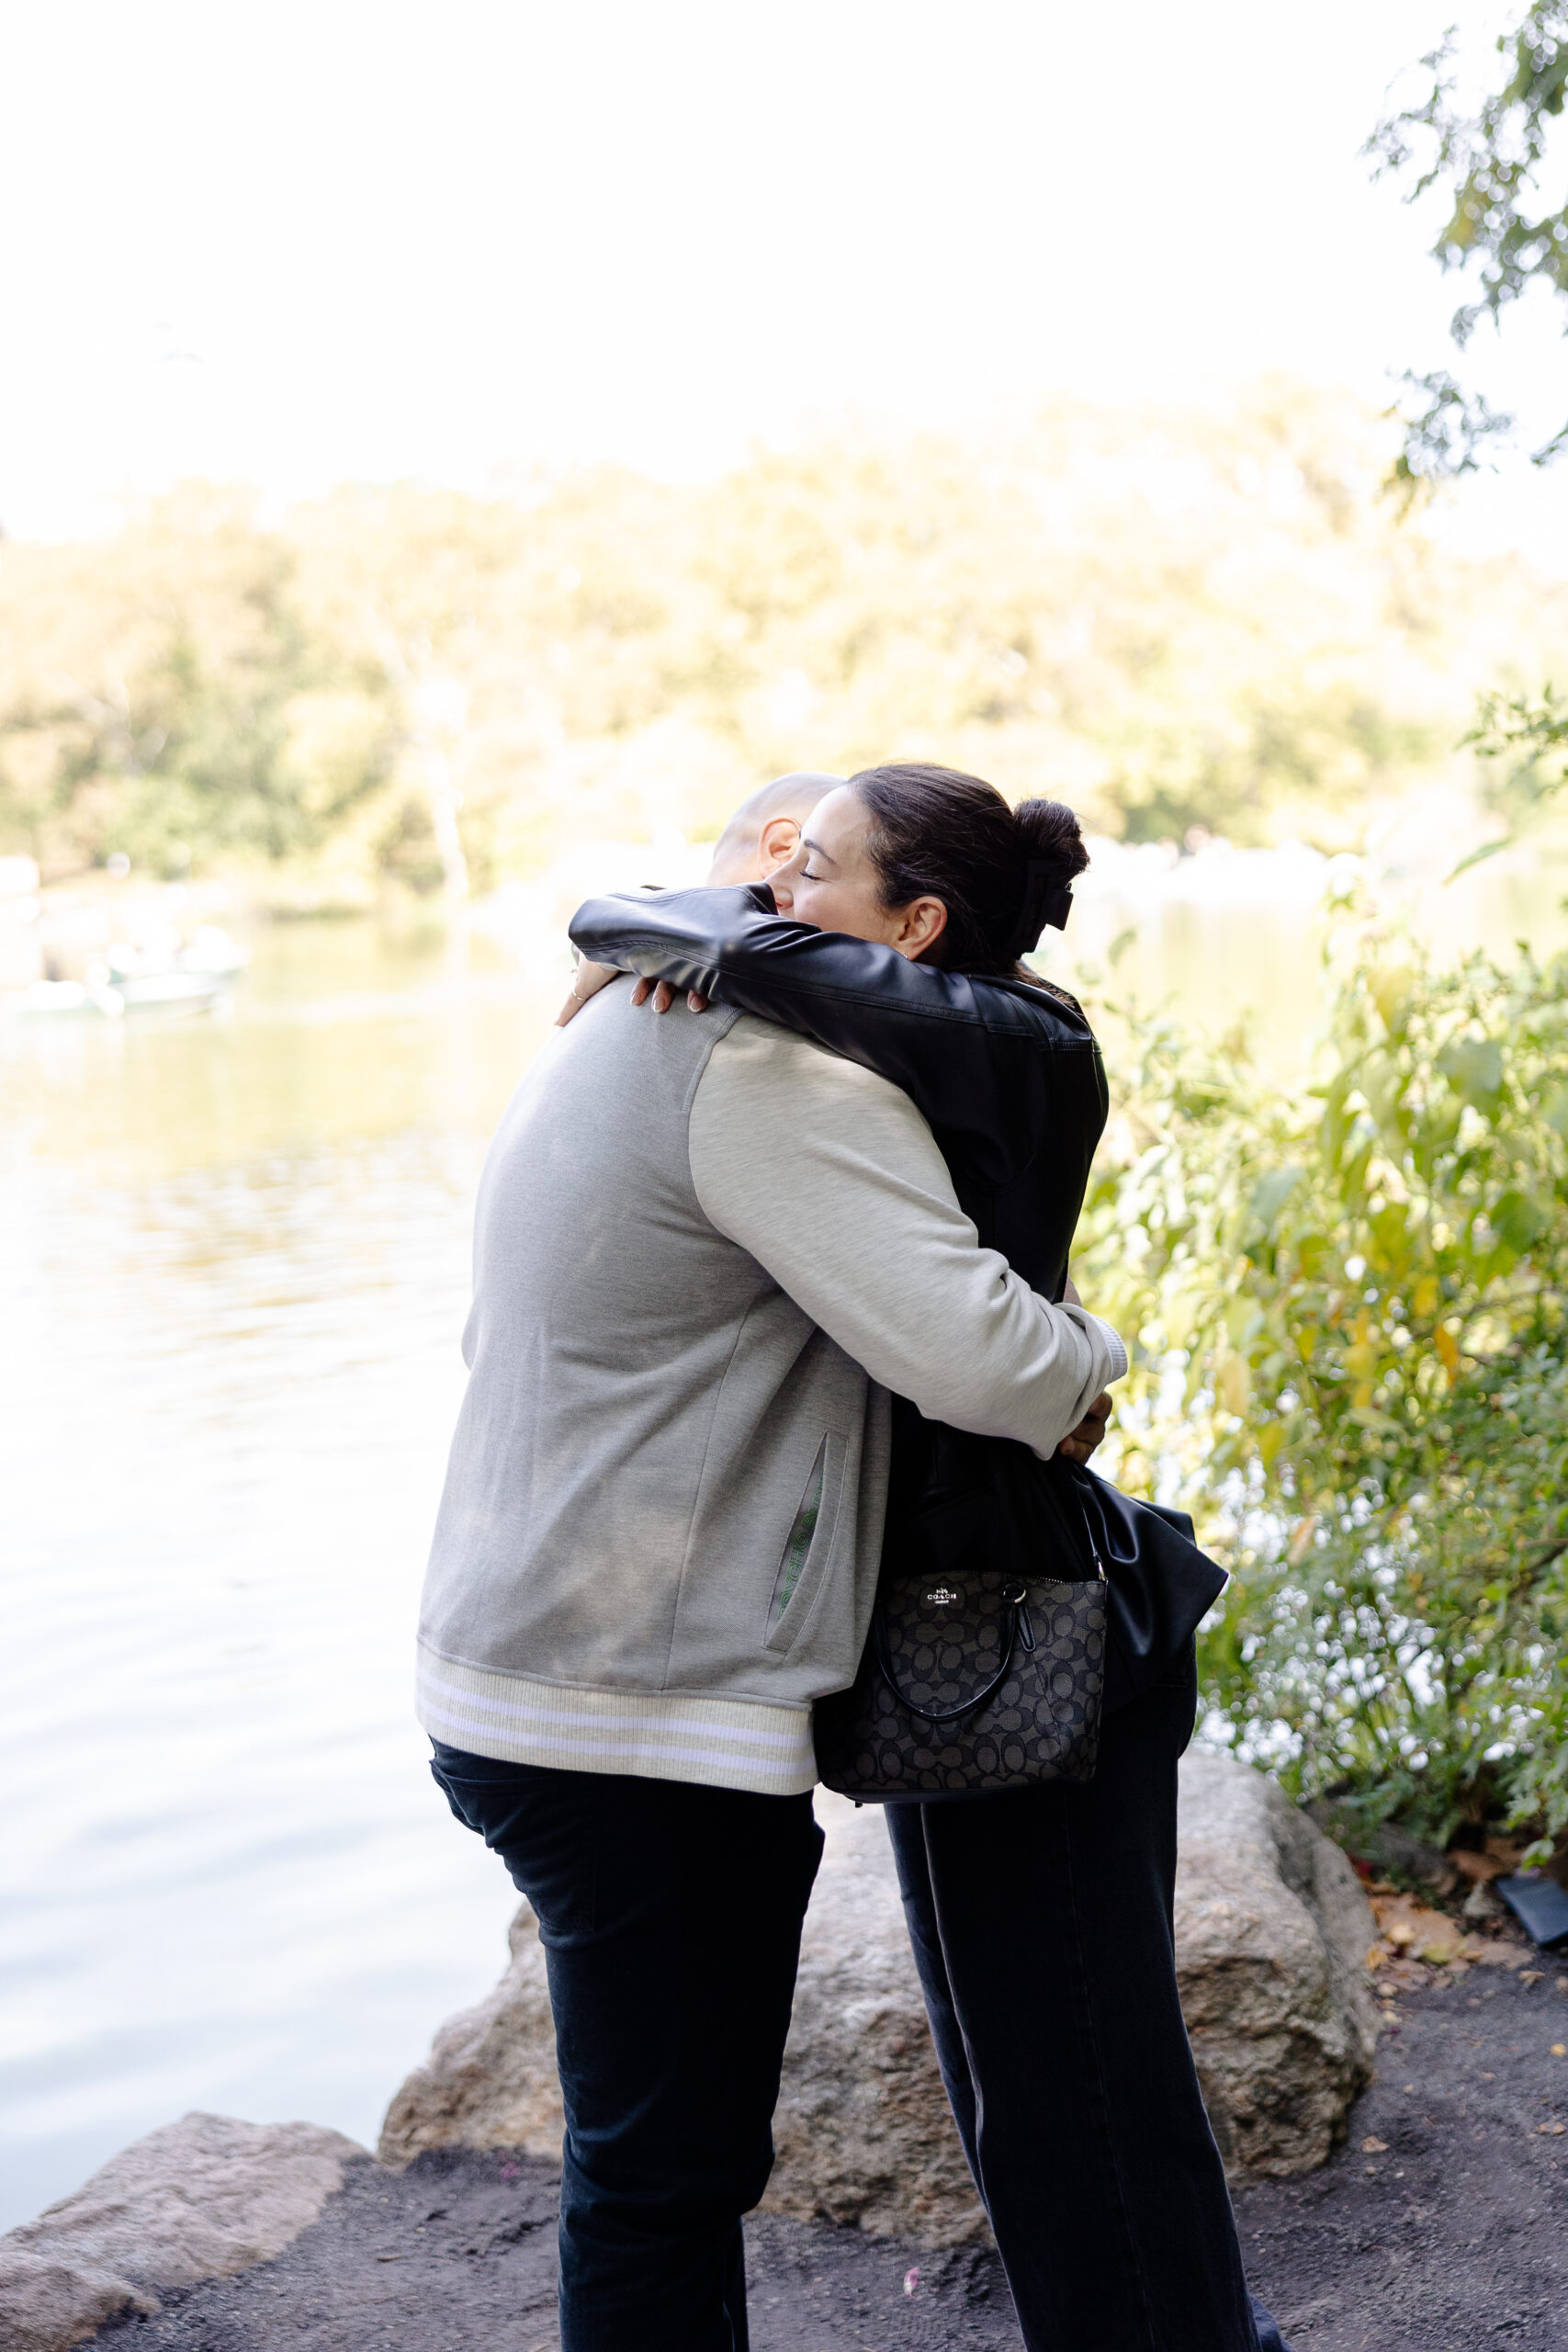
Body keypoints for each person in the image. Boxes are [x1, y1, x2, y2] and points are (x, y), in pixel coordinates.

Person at [569, 763, 1292, 2352]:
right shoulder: (914, 1025)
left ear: (916, 924)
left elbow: (756, 954)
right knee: (1019, 2071)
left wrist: (657, 932)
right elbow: (767, 943)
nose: (774, 888)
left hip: (1023, 1607)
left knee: (1081, 2080)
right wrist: (669, 933)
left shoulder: (1010, 1038)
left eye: (813, 867)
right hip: (961, 1604)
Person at [416, 828, 1128, 2352]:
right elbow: (988, 1360)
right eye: (782, 868)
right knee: (665, 2177)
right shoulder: (758, 1067)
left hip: (529, 1666)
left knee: (652, 2161)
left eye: (814, 872)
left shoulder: (627, 1014)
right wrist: (1090, 1368)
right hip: (630, 1712)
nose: (788, 898)